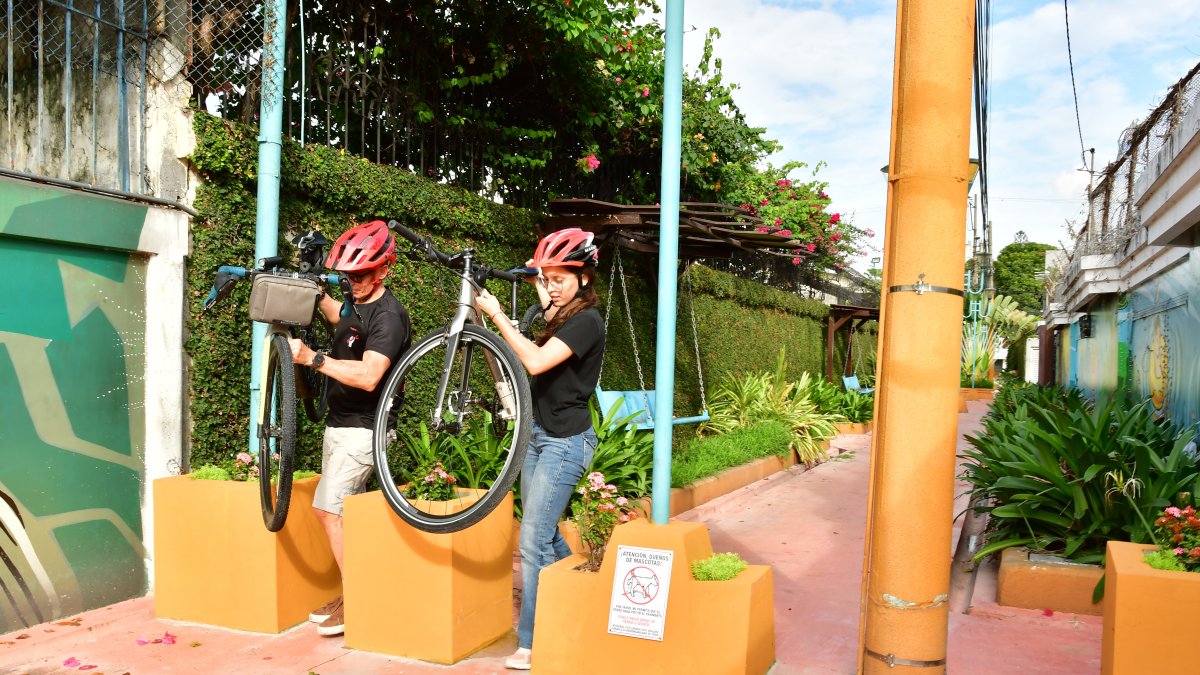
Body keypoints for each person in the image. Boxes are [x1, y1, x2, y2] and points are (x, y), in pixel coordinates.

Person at [474, 228, 605, 671]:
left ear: (584, 277)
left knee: (531, 540)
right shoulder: (564, 313)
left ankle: (531, 642)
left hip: (567, 441)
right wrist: (538, 279)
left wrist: (497, 317)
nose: (551, 286)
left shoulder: (588, 321)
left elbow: (535, 361)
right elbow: (548, 301)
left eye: (560, 278)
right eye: (546, 279)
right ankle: (584, 594)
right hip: (538, 436)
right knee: (545, 535)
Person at [287, 220, 411, 637]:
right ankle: (354, 589)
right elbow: (340, 317)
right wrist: (315, 288)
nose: (353, 282)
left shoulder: (389, 317)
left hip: (366, 428)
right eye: (348, 276)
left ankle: (358, 598)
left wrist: (312, 360)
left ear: (384, 270)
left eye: (361, 275)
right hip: (341, 425)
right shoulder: (357, 305)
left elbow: (370, 376)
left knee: (328, 510)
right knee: (348, 516)